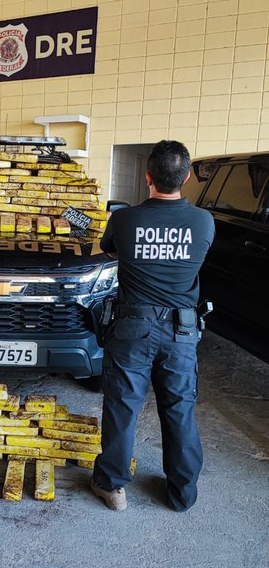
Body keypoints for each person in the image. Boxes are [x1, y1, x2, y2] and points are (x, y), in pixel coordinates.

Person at [91, 140, 215, 512]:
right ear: (187, 176)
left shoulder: (125, 219)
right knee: (179, 410)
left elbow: (111, 250)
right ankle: (182, 495)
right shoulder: (203, 221)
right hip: (181, 332)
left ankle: (112, 487)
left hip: (132, 329)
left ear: (148, 177)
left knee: (123, 408)